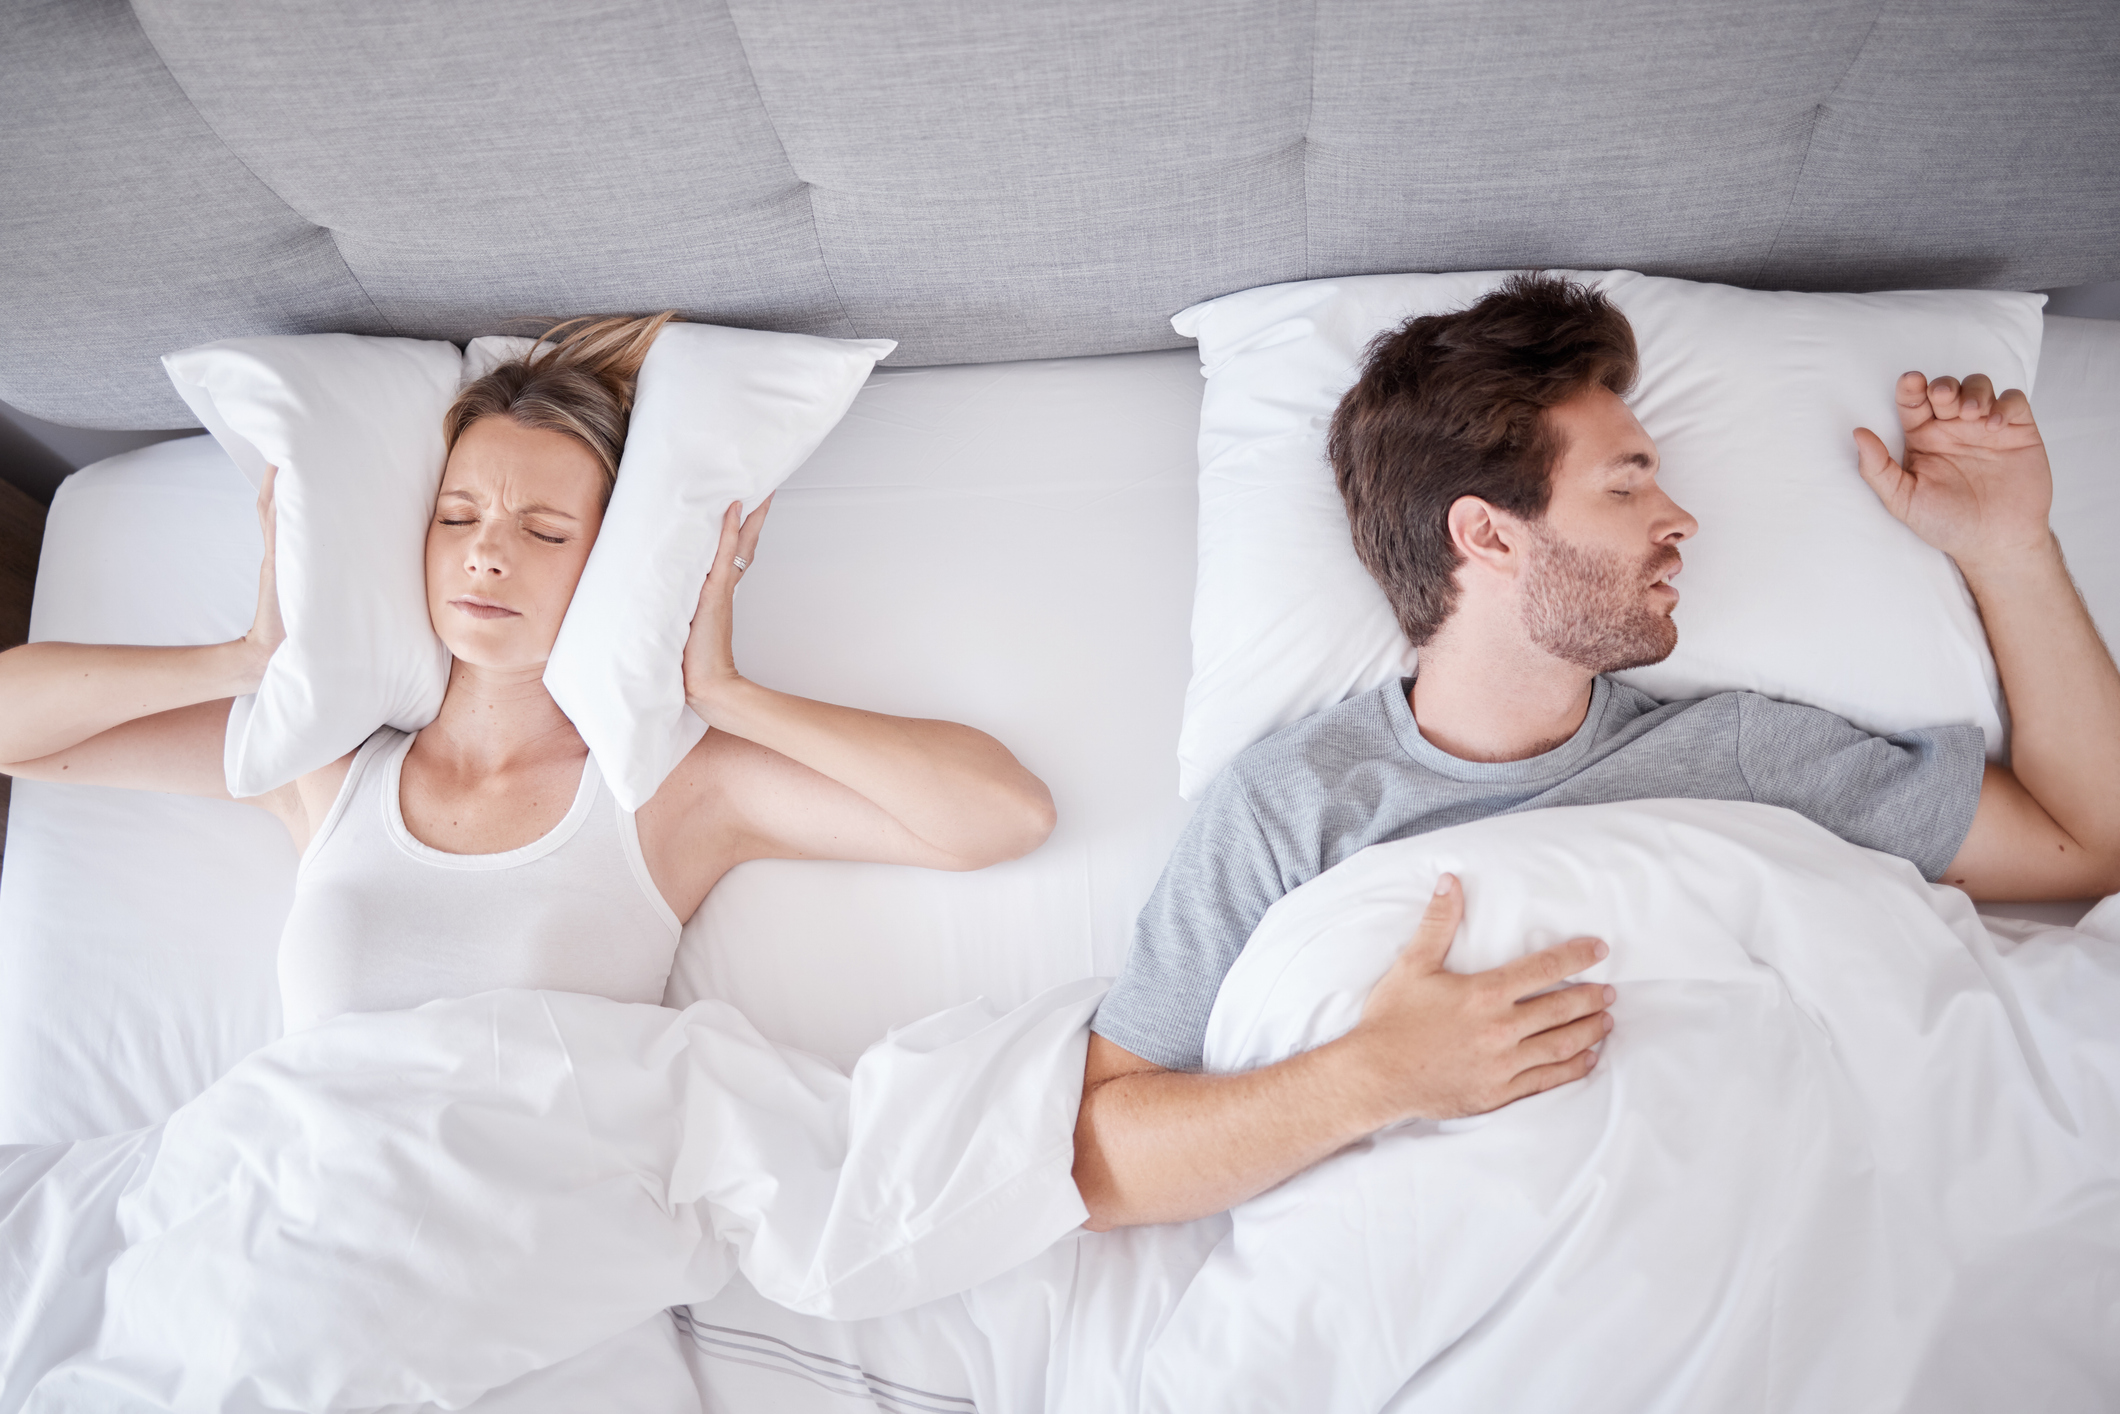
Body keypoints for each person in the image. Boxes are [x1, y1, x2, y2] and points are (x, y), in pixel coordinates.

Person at [1073, 273, 2120, 1231]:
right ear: (1485, 536)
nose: (1680, 519)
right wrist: (1375, 1076)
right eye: (1624, 488)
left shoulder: (1740, 752)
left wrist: (2010, 549)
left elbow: (2084, 845)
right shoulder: (1289, 805)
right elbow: (1100, 1162)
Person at [0, 315, 1056, 1032]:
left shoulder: (670, 790)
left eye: (544, 530)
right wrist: (244, 657)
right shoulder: (321, 770)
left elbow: (999, 817)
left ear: (611, 562)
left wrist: (726, 691)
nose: (485, 553)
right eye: (457, 517)